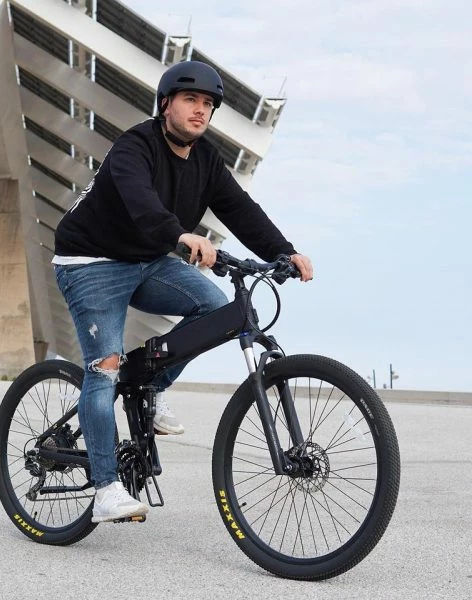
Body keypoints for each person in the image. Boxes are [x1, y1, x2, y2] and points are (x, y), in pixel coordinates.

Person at [53, 61, 313, 523]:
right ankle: (106, 489)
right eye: (190, 99)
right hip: (90, 261)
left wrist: (284, 251)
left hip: (147, 259)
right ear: (166, 104)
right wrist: (180, 234)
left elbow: (240, 209)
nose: (200, 110)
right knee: (105, 367)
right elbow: (140, 200)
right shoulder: (135, 146)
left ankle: (151, 387)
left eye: (208, 104)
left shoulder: (207, 160)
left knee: (215, 308)